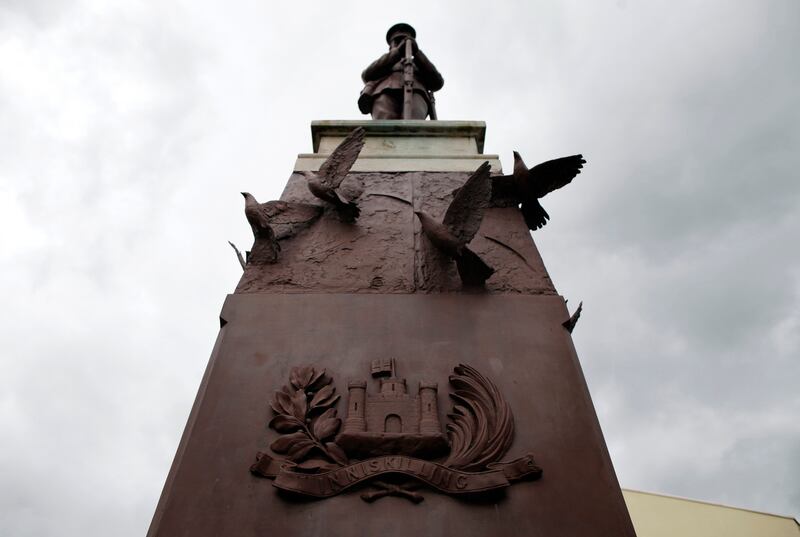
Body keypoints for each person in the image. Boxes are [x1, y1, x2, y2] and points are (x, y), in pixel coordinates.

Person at [358, 23, 444, 120]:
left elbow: (437, 83)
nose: (400, 43)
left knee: (414, 123)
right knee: (385, 124)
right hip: (385, 91)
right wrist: (397, 52)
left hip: (416, 92)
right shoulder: (385, 61)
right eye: (396, 41)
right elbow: (366, 75)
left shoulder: (420, 63)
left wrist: (417, 53)